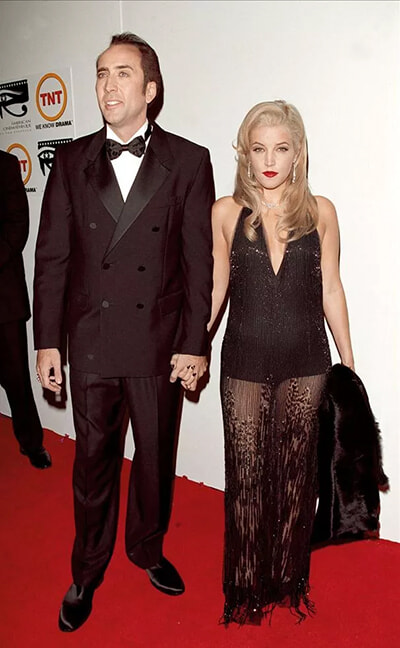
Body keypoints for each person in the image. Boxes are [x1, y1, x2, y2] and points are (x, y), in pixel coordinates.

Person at [34, 32, 214, 632]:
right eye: (101, 73)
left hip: (159, 343)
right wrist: (47, 341)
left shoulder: (189, 161)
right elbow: (52, 258)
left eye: (123, 74)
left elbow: (198, 264)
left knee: (156, 460)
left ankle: (147, 548)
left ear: (150, 89)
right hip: (90, 340)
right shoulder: (71, 160)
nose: (108, 85)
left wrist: (193, 343)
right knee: (92, 465)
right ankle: (86, 570)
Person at [208, 100, 354, 624]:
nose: (270, 160)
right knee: (246, 477)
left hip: (307, 363)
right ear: (246, 155)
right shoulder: (225, 212)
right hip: (243, 362)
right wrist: (192, 343)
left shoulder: (321, 212)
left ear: (298, 153)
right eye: (259, 148)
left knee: (296, 478)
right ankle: (246, 584)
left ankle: (288, 581)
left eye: (281, 148)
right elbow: (215, 288)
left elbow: (331, 288)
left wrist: (348, 365)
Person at [0, 149, 51, 470]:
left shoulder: (5, 165)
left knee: (17, 378)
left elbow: (18, 224)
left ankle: (31, 442)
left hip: (3, 298)